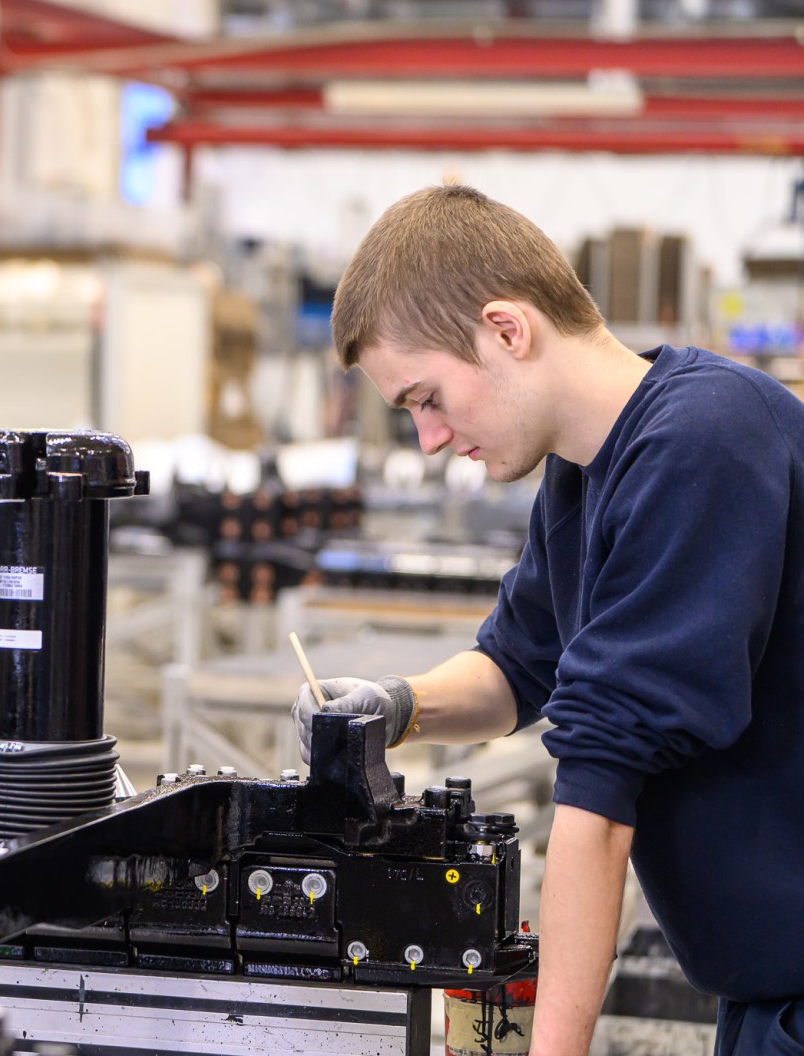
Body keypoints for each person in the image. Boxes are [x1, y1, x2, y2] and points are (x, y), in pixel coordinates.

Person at [291, 184, 804, 1056]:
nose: (430, 438)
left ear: (507, 330)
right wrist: (392, 705)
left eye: (428, 398)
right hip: (764, 993)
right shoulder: (581, 473)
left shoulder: (706, 439)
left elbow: (599, 791)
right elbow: (515, 670)